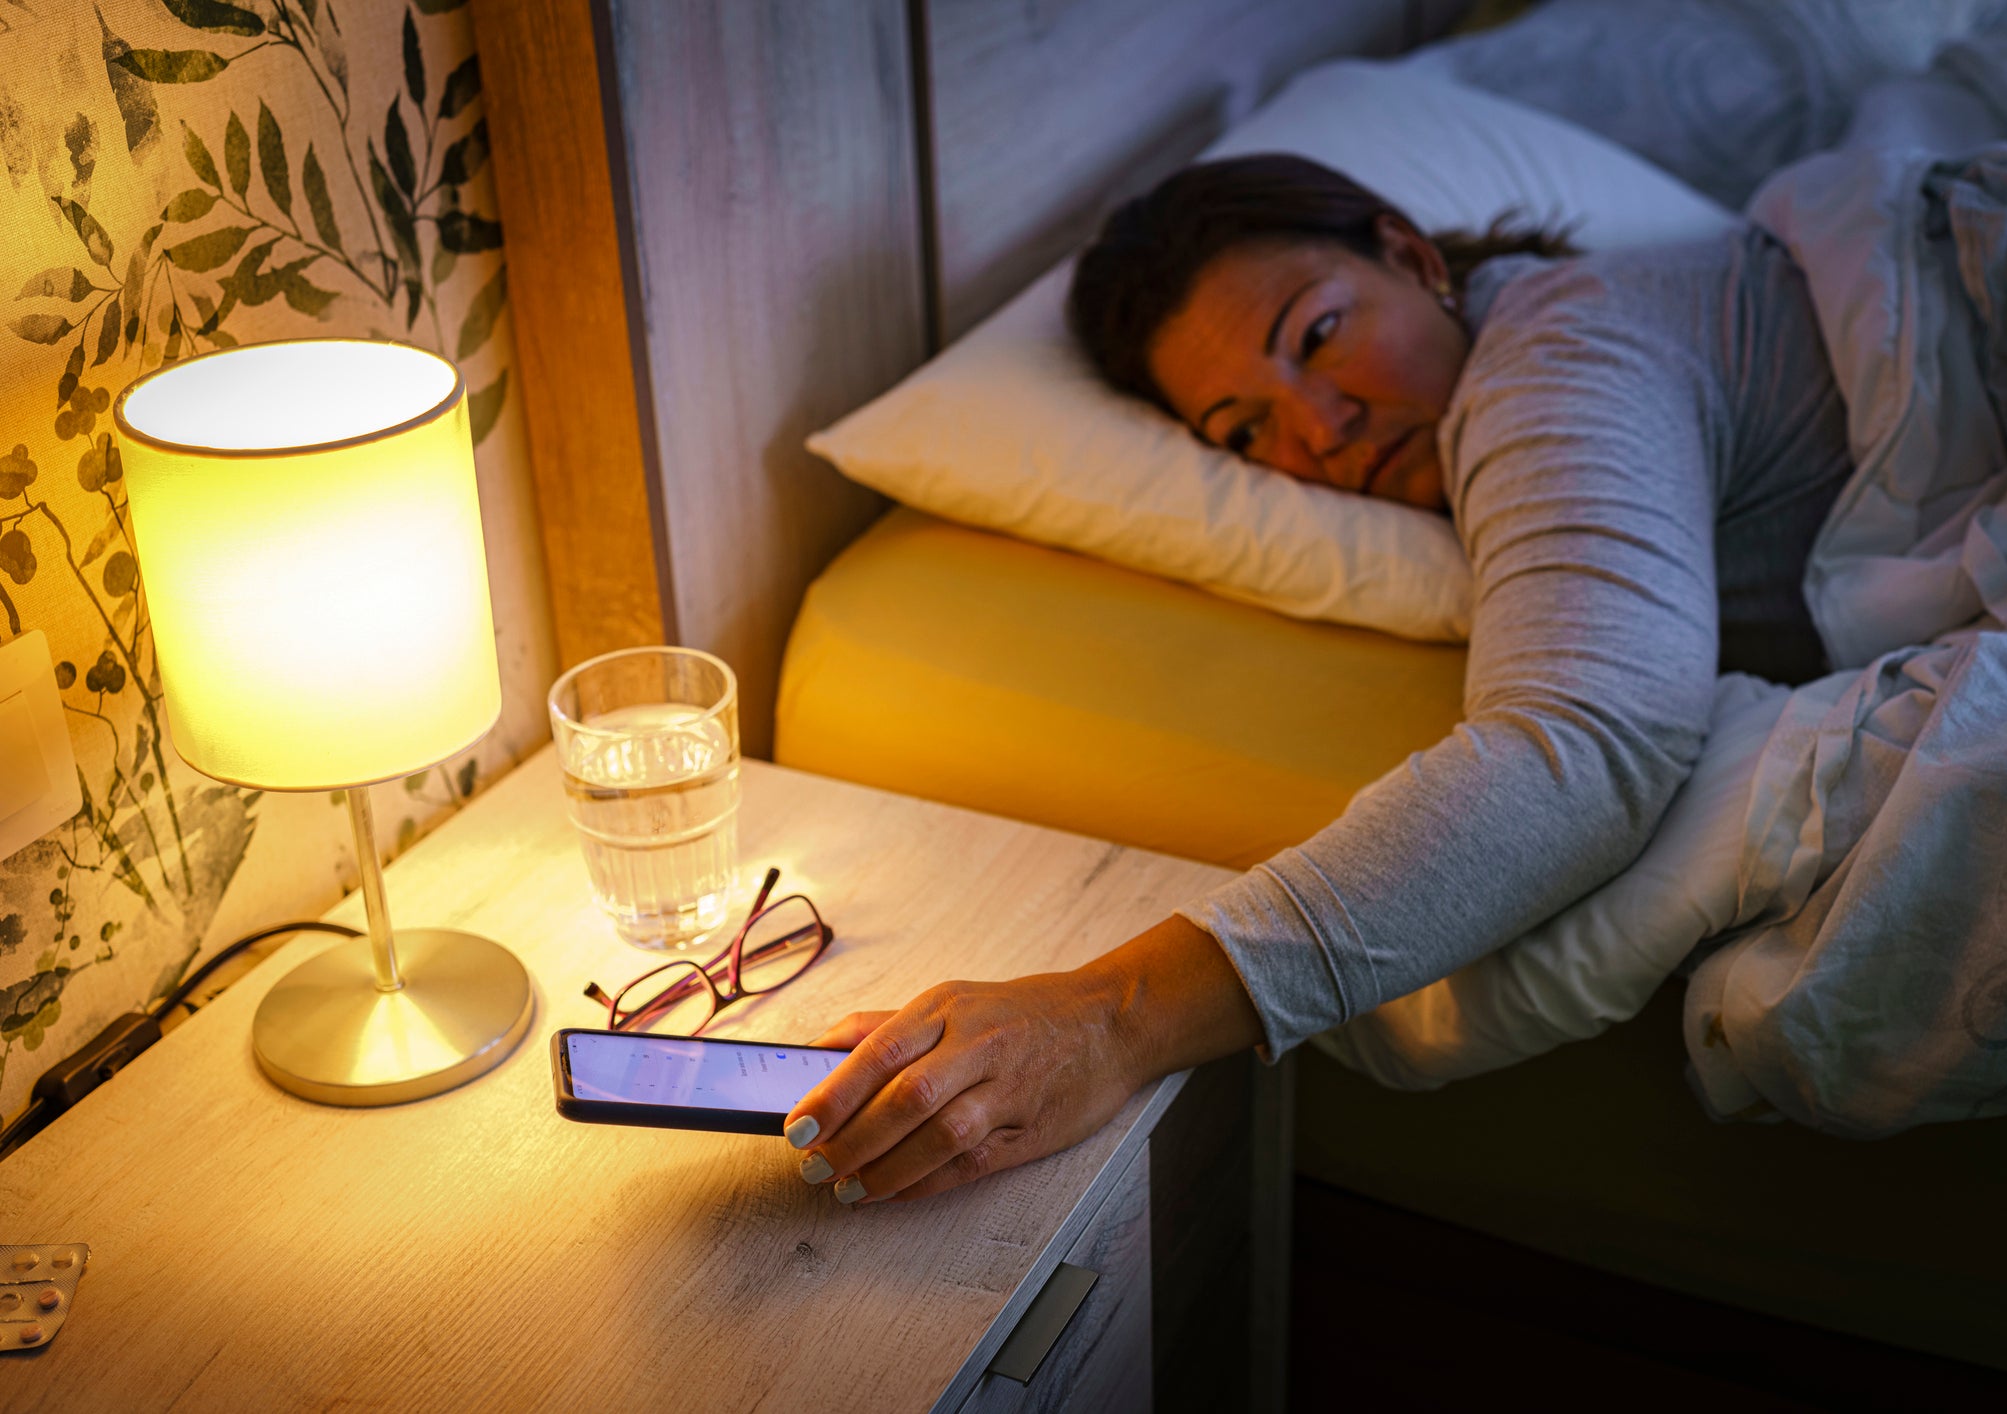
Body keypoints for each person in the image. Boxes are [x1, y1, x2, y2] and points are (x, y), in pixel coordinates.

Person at [780, 154, 1856, 1206]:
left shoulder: (1556, 357)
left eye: (1318, 334)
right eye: (1245, 429)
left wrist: (1107, 1018)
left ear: (1407, 253)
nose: (1318, 429)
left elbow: (1591, 741)